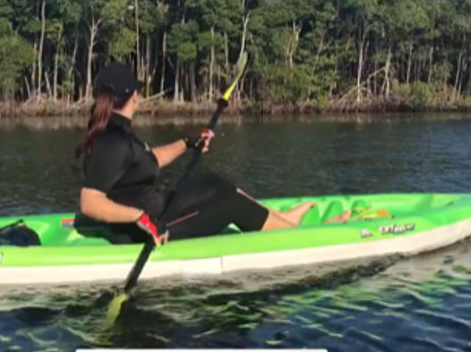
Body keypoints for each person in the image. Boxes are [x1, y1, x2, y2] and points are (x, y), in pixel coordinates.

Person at [76, 62, 315, 245]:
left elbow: (149, 161)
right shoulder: (112, 142)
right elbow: (90, 202)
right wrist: (141, 218)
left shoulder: (119, 133)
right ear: (134, 97)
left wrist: (188, 143)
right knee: (229, 203)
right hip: (147, 229)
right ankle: (296, 236)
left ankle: (282, 219)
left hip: (157, 210)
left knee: (211, 181)